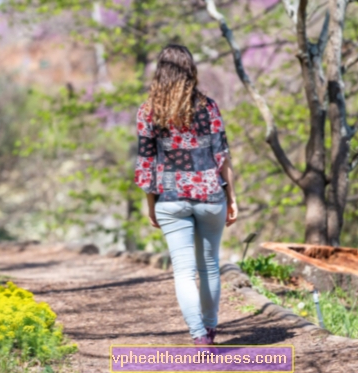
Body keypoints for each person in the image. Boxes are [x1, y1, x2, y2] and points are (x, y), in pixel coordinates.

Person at [134, 44, 238, 345]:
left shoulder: (148, 111)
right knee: (209, 267)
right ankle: (210, 328)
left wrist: (150, 204)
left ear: (160, 72)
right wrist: (232, 197)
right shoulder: (209, 108)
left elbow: (145, 163)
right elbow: (222, 157)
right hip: (209, 196)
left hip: (170, 198)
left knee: (183, 271)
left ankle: (198, 336)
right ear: (191, 71)